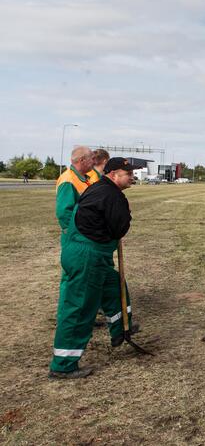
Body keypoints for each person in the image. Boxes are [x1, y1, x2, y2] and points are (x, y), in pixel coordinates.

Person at [49, 157, 140, 379]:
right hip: (86, 254)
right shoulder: (111, 194)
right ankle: (63, 364)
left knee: (114, 287)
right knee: (80, 307)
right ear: (114, 174)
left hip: (89, 251)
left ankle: (120, 330)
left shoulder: (100, 188)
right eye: (128, 174)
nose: (132, 177)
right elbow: (120, 226)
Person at [56, 146, 94, 233]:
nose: (94, 162)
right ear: (82, 160)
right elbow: (63, 212)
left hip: (88, 230)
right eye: (92, 159)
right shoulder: (68, 180)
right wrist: (73, 233)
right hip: (79, 234)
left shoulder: (86, 178)